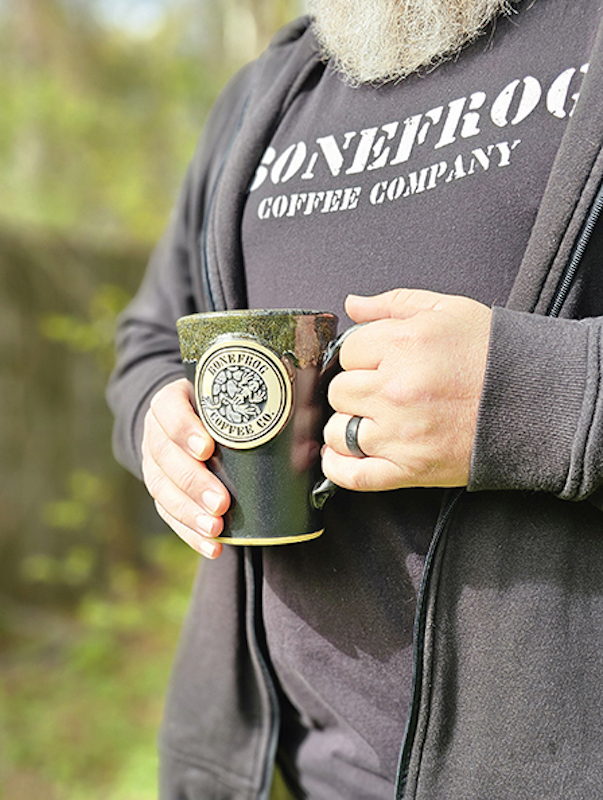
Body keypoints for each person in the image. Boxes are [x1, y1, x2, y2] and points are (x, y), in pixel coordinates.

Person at [107, 0, 603, 797]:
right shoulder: (263, 92)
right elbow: (148, 339)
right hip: (280, 774)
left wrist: (534, 393)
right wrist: (154, 421)